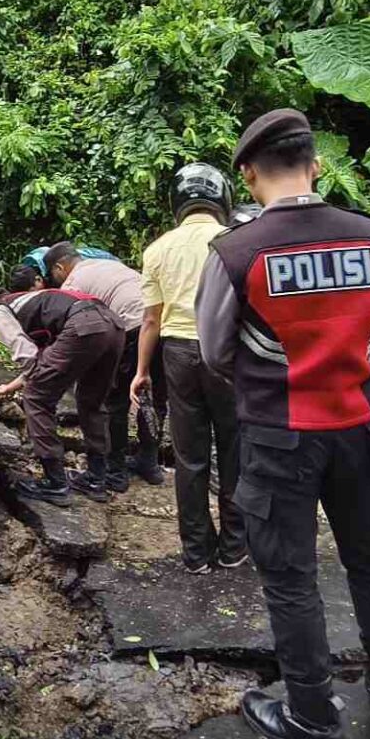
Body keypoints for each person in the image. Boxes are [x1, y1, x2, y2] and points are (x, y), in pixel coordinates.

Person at [196, 109, 370, 739]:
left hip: (279, 435)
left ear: (250, 176)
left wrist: (272, 382)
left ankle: (316, 723)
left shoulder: (236, 253)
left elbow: (213, 351)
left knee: (292, 582)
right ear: (316, 166)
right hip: (361, 428)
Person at [130, 164, 246, 575]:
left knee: (189, 455)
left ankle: (196, 553)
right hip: (228, 353)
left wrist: (142, 370)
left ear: (177, 203)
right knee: (234, 448)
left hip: (176, 354)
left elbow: (150, 320)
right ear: (223, 199)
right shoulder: (235, 241)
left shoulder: (158, 249)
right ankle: (234, 548)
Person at [0, 272, 125, 505]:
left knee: (37, 399)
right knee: (91, 402)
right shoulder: (41, 302)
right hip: (112, 324)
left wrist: (32, 387)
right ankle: (96, 478)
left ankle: (55, 482)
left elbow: (25, 353)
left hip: (83, 325)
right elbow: (47, 361)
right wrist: (11, 386)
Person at [44, 241, 163, 492]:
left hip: (130, 327)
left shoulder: (71, 284)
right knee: (152, 399)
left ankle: (115, 472)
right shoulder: (108, 264)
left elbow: (83, 330)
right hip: (161, 326)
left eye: (52, 275)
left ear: (59, 267)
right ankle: (150, 464)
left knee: (114, 402)